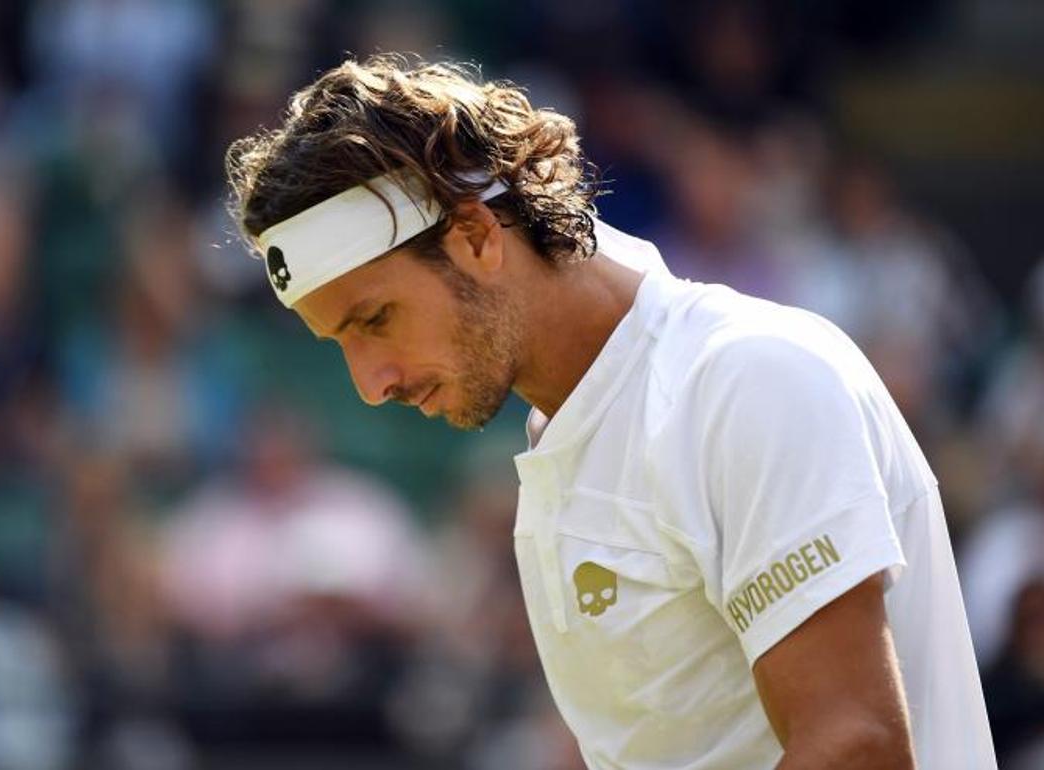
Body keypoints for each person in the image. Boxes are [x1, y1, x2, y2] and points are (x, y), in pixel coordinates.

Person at [225, 55, 995, 769]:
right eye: (339, 343)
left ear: (475, 237)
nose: (369, 382)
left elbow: (855, 745)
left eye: (375, 319)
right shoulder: (571, 442)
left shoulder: (748, 379)